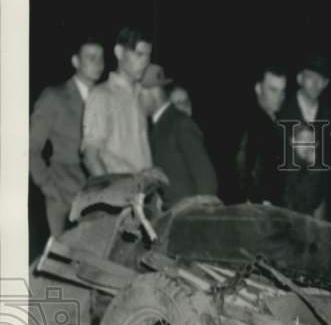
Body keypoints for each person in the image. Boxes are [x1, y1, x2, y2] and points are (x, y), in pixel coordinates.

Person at [29, 35, 105, 237]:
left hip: (98, 200)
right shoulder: (54, 96)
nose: (98, 64)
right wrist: (49, 187)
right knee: (60, 263)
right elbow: (30, 149)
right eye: (91, 57)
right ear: (75, 61)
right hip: (62, 196)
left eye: (101, 58)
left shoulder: (106, 98)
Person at [138, 63, 217, 208]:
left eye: (139, 95)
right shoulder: (160, 125)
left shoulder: (179, 123)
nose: (136, 101)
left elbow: (207, 181)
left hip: (187, 220)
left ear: (153, 92)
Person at [81, 26, 153, 176]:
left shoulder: (141, 96)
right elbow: (90, 157)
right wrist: (113, 196)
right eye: (139, 54)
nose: (145, 62)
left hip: (145, 194)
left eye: (148, 56)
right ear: (119, 52)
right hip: (120, 195)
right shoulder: (102, 96)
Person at [279, 53, 331, 217]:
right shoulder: (281, 112)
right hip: (283, 205)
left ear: (326, 83)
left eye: (321, 79)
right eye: (310, 77)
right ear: (299, 78)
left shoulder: (330, 117)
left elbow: (329, 166)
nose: (315, 84)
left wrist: (321, 205)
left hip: (315, 207)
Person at [235, 63, 287, 205]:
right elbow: (242, 166)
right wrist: (258, 200)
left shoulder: (272, 120)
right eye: (273, 90)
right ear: (258, 88)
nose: (279, 97)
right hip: (261, 210)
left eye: (282, 91)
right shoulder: (252, 122)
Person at [284, 123, 326, 218]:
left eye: (311, 141)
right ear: (293, 141)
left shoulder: (314, 168)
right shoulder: (287, 167)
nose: (308, 145)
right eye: (304, 140)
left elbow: (312, 202)